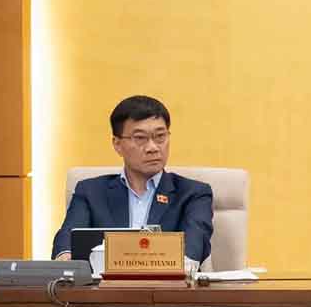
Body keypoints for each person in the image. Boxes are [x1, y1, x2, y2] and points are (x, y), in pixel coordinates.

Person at [52, 95, 213, 266]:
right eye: (140, 138)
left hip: (169, 290)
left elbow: (195, 243)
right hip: (105, 290)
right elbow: (68, 237)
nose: (153, 148)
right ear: (117, 144)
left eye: (160, 136)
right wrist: (66, 259)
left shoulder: (193, 193)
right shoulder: (91, 191)